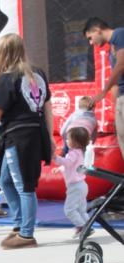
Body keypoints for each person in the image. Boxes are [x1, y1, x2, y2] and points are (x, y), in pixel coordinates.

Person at [0, 32, 54, 250]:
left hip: (19, 136)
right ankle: (19, 223)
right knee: (4, 179)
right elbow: (47, 108)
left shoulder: (7, 79)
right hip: (31, 133)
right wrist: (50, 136)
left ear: (3, 54)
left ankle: (26, 234)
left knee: (24, 185)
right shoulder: (38, 74)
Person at [84, 17, 124, 159]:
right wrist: (116, 109)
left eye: (90, 37)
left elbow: (121, 64)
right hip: (121, 97)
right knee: (121, 137)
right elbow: (115, 82)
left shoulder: (119, 34)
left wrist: (103, 92)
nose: (91, 42)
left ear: (97, 30)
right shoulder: (110, 50)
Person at [52, 127, 90, 238]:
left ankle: (82, 226)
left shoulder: (73, 153)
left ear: (76, 142)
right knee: (81, 209)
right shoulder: (81, 154)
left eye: (68, 139)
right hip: (82, 185)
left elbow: (67, 163)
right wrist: (60, 169)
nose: (67, 141)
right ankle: (88, 225)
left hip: (75, 187)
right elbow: (74, 168)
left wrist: (55, 158)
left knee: (69, 210)